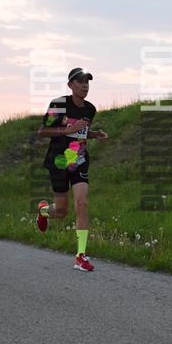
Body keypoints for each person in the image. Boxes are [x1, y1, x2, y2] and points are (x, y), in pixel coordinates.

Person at [35, 68, 108, 272]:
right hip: (58, 161)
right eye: (80, 82)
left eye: (87, 82)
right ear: (70, 85)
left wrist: (94, 134)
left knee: (82, 203)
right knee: (61, 211)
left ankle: (80, 256)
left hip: (79, 160)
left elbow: (81, 132)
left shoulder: (90, 109)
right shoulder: (59, 105)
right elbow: (42, 131)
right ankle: (43, 212)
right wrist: (66, 130)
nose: (84, 85)